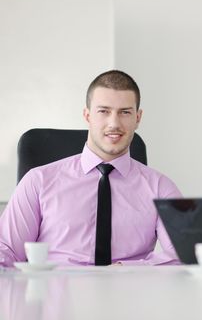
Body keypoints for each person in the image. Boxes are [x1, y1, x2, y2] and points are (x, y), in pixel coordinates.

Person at [0, 70, 182, 267]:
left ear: (138, 118)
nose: (114, 123)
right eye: (104, 111)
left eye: (125, 112)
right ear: (87, 115)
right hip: (55, 293)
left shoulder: (161, 188)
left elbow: (183, 254)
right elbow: (6, 249)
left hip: (129, 292)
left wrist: (128, 269)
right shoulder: (38, 181)